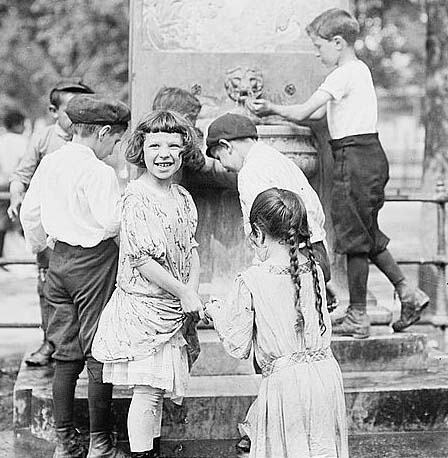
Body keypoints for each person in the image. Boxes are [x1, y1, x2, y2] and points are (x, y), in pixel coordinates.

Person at [247, 8, 429, 339]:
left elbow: (304, 110)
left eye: (319, 46)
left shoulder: (344, 73)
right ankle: (408, 292)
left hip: (355, 158)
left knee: (354, 240)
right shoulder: (357, 73)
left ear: (337, 41)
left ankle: (358, 316)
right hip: (365, 156)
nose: (317, 53)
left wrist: (271, 107)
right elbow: (314, 116)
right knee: (366, 233)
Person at [20, 94, 131, 458]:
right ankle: (100, 443)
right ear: (101, 132)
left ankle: (63, 443)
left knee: (66, 355)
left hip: (59, 261)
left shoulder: (51, 163)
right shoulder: (99, 172)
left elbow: (30, 216)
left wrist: (41, 250)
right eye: (115, 140)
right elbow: (111, 222)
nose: (115, 148)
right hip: (94, 263)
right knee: (99, 352)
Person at [203, 187, 348, 458]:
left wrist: (215, 312)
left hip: (287, 386)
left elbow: (238, 343)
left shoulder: (252, 279)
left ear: (257, 232)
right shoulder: (314, 269)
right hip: (325, 376)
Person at [92, 110, 203, 458]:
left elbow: (192, 248)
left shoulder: (183, 198)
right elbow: (141, 260)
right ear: (142, 149)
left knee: (157, 391)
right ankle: (143, 454)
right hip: (144, 308)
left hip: (173, 309)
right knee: (147, 391)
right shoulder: (136, 198)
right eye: (155, 145)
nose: (164, 154)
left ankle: (151, 450)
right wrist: (183, 291)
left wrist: (192, 291)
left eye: (173, 145)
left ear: (184, 150)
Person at [8, 79, 94, 366]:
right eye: (71, 109)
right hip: (50, 231)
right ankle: (51, 343)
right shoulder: (44, 138)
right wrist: (16, 198)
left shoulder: (96, 137)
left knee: (88, 289)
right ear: (53, 111)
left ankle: (87, 348)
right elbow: (22, 175)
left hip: (85, 228)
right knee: (49, 289)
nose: (77, 116)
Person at [205, 112, 331, 284]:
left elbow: (261, 233)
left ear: (226, 146)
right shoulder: (277, 158)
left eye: (220, 158)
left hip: (289, 263)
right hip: (314, 252)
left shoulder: (250, 172)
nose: (225, 167)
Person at [0, 107, 27, 258]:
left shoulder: (2, 140)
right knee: (20, 221)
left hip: (2, 184)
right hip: (16, 184)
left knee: (2, 223)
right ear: (18, 124)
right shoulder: (22, 142)